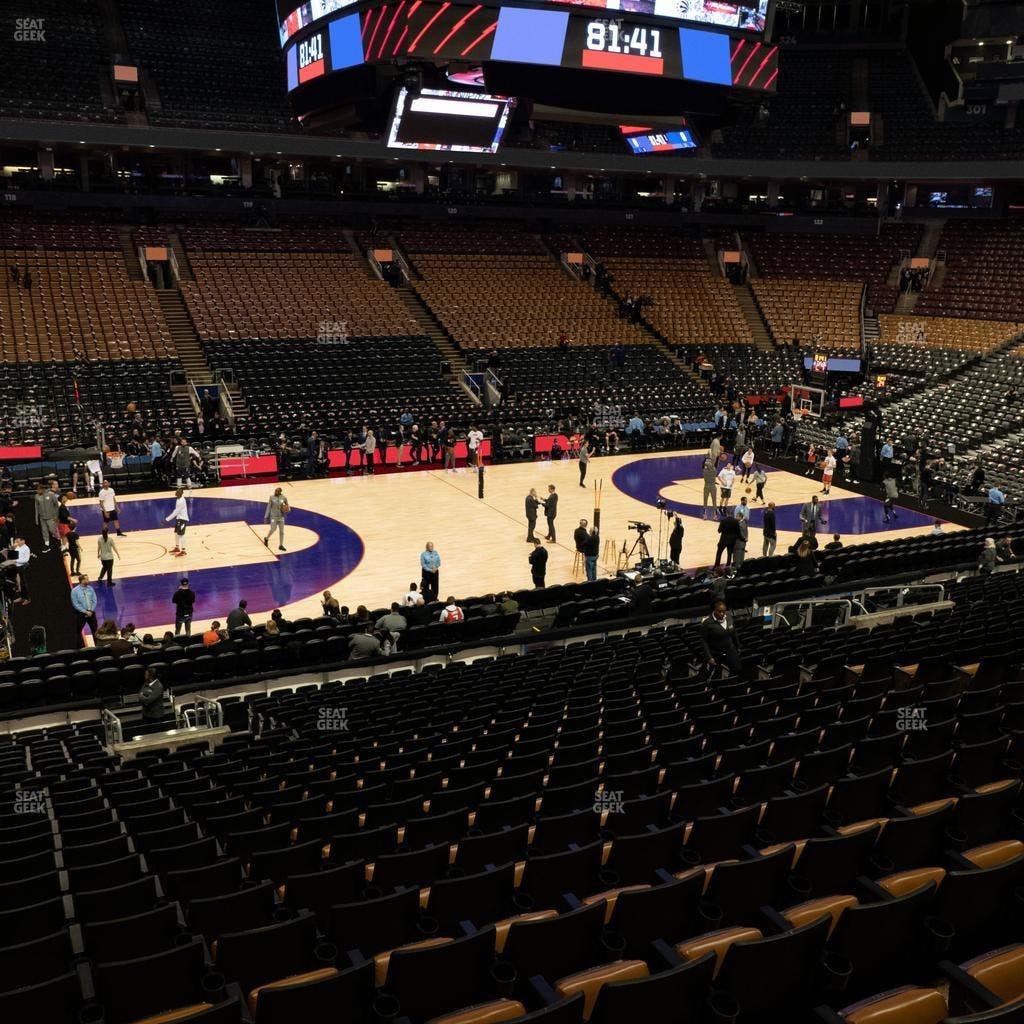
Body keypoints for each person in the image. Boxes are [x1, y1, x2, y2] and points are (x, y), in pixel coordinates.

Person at [699, 600, 741, 676]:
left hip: (730, 650)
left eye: (723, 611)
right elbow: (703, 641)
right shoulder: (707, 623)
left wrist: (738, 646)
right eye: (719, 611)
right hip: (716, 653)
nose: (722, 613)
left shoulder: (728, 616)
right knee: (716, 674)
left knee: (736, 669)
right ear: (714, 610)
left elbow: (734, 632)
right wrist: (709, 657)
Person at [33, 481, 60, 552]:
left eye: (38, 490)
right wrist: (36, 518)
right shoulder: (36, 496)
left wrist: (56, 516)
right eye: (36, 490)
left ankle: (59, 539)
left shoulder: (51, 495)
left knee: (52, 530)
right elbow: (36, 508)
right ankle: (47, 545)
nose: (37, 491)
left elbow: (56, 505)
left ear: (42, 489)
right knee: (44, 531)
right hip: (42, 518)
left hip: (51, 517)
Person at [263, 487, 290, 551]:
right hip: (273, 517)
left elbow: (287, 505)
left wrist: (288, 510)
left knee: (282, 532)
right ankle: (266, 538)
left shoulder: (284, 497)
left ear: (280, 492)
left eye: (277, 491)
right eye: (275, 490)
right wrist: (266, 516)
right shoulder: (271, 497)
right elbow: (268, 507)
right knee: (273, 529)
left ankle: (281, 545)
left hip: (281, 517)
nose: (275, 492)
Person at [165, 488, 190, 556]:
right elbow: (176, 510)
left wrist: (167, 519)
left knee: (182, 534)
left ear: (181, 493)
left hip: (182, 519)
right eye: (176, 492)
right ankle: (177, 547)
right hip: (179, 518)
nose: (176, 493)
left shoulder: (181, 501)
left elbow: (176, 512)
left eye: (178, 492)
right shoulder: (178, 499)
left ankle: (183, 551)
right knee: (176, 533)